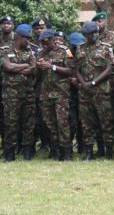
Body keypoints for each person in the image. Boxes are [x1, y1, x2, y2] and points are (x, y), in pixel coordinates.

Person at [75, 21, 114, 160]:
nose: (93, 36)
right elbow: (77, 69)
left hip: (101, 90)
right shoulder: (80, 48)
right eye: (89, 34)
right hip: (85, 91)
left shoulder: (106, 48)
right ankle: (89, 153)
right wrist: (83, 83)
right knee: (87, 123)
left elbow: (110, 68)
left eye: (95, 33)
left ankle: (108, 151)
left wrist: (93, 82)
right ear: (85, 35)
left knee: (106, 121)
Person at [36, 29, 74, 161]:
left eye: (47, 42)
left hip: (61, 93)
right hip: (46, 94)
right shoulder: (40, 53)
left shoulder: (65, 51)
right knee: (50, 124)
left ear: (53, 40)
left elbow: (70, 70)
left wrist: (52, 66)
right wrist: (38, 67)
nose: (45, 45)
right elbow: (39, 76)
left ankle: (67, 152)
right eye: (42, 43)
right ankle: (56, 151)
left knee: (62, 123)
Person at [1, 24, 37, 161]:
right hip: (11, 94)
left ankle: (28, 153)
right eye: (26, 38)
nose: (28, 41)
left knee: (29, 123)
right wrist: (25, 66)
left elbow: (34, 68)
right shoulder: (5, 50)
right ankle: (9, 154)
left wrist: (21, 67)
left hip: (28, 93)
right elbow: (7, 66)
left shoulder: (31, 51)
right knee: (11, 123)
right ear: (19, 37)